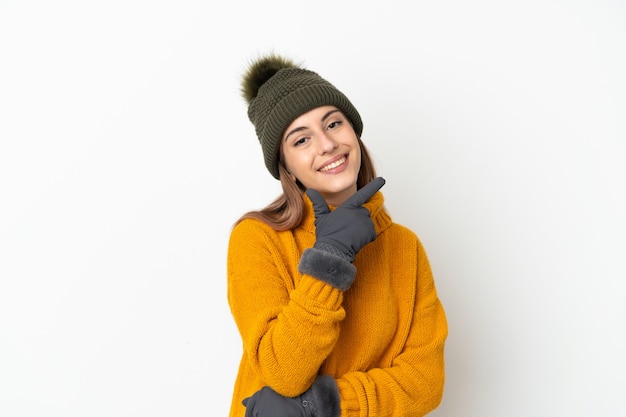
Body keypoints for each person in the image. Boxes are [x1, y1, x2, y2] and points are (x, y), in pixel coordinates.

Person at [227, 54, 448, 417]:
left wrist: (323, 405)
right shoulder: (257, 238)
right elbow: (283, 371)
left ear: (354, 132)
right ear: (286, 166)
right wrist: (329, 257)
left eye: (333, 123)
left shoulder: (404, 247)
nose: (326, 144)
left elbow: (425, 383)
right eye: (301, 140)